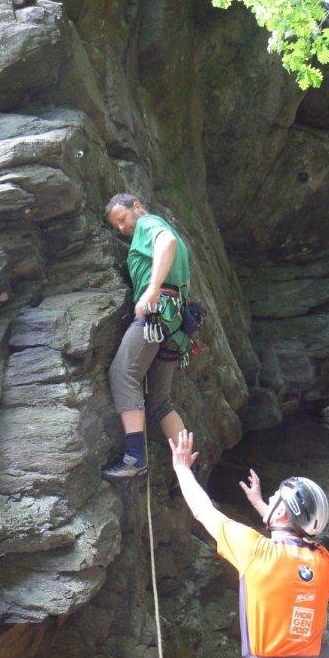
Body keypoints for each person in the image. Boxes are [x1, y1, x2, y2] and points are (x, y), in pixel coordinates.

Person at [169, 430, 329, 658]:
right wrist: (264, 505)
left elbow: (204, 511)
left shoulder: (255, 551)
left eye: (277, 501)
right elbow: (292, 536)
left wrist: (182, 468)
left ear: (280, 514)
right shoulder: (323, 562)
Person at [102, 193, 191, 481]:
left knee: (122, 373)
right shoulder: (145, 231)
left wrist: (152, 289)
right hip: (174, 321)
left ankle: (134, 457)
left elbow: (168, 242)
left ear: (137, 207)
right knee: (160, 402)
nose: (121, 227)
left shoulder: (149, 223)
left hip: (157, 312)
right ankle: (190, 473)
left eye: (123, 219)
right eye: (116, 225)